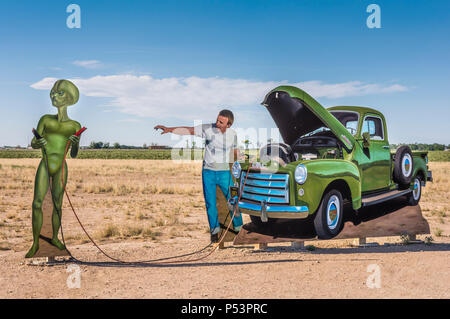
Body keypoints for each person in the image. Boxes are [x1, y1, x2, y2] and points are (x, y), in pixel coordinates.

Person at [155, 110, 243, 243]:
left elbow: (235, 152)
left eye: (221, 122)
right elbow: (188, 130)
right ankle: (214, 232)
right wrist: (169, 129)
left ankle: (239, 228)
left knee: (233, 200)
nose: (217, 123)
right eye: (217, 120)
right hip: (208, 172)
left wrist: (247, 159)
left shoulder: (233, 135)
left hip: (224, 173)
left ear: (229, 125)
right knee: (210, 204)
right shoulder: (207, 129)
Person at [25, 80, 82, 258]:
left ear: (70, 98)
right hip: (45, 164)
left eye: (59, 93)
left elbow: (73, 154)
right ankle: (36, 243)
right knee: (37, 204)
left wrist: (76, 142)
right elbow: (34, 143)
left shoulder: (74, 126)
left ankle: (54, 238)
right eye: (52, 93)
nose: (54, 96)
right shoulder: (45, 120)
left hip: (61, 168)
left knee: (58, 205)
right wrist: (38, 141)